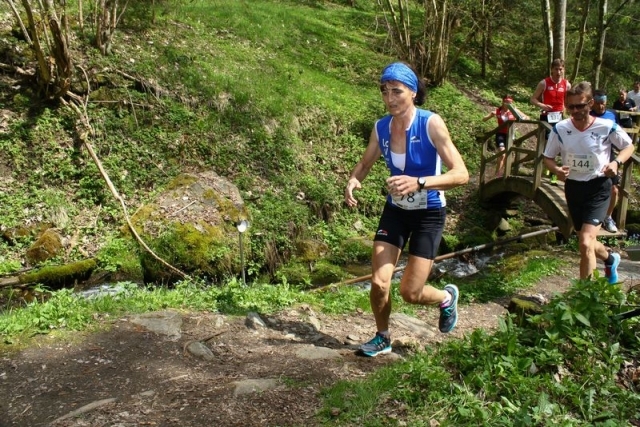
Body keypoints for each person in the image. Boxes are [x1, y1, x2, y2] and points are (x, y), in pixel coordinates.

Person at [344, 62, 469, 357]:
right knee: (379, 282)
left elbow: (461, 174)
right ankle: (382, 336)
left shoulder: (430, 123)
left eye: (396, 91)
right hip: (396, 211)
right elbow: (365, 162)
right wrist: (353, 179)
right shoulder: (381, 127)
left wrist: (420, 182)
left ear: (412, 92)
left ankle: (446, 297)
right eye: (384, 91)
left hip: (429, 213)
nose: (389, 98)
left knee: (410, 292)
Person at [543, 81, 634, 284]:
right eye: (571, 107)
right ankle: (610, 259)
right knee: (586, 241)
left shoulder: (606, 126)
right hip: (574, 188)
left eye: (580, 106)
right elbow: (547, 158)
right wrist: (556, 170)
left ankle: (585, 294)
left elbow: (628, 147)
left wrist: (616, 162)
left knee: (585, 242)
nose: (575, 111)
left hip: (598, 187)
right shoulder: (561, 129)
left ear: (590, 103)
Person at [530, 58, 572, 184]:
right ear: (552, 70)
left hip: (559, 118)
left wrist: (566, 109)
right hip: (546, 117)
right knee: (548, 143)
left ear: (563, 70)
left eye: (561, 69)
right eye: (556, 69)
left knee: (559, 144)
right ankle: (545, 170)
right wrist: (542, 105)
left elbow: (568, 101)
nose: (558, 72)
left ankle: (553, 173)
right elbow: (533, 99)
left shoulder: (566, 84)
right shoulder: (544, 83)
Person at [589, 89, 621, 233]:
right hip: (591, 155)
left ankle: (608, 217)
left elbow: (618, 133)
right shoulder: (587, 114)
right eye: (598, 103)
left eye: (603, 103)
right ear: (592, 102)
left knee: (614, 189)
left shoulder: (612, 114)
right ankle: (590, 217)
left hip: (609, 155)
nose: (601, 106)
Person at [483, 95, 516, 178]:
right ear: (503, 102)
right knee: (502, 153)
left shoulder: (514, 110)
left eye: (510, 102)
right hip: (500, 134)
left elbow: (526, 117)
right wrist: (490, 115)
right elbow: (484, 119)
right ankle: (497, 174)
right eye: (506, 102)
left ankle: (503, 172)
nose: (508, 104)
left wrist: (520, 117)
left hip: (510, 135)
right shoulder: (498, 111)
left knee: (508, 155)